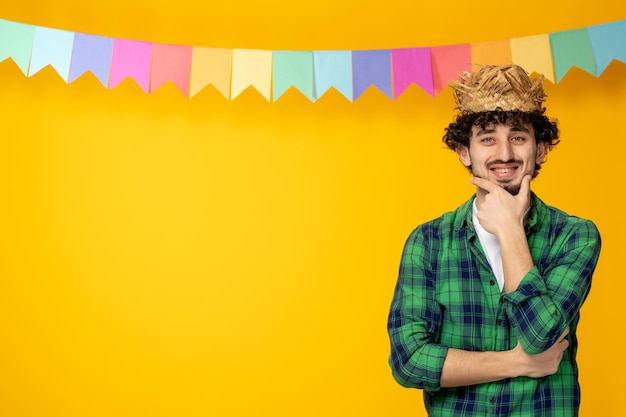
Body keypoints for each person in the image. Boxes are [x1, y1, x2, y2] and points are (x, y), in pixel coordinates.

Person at [387, 64, 601, 416]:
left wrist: (510, 229)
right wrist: (516, 362)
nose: (504, 153)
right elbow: (408, 362)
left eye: (518, 137)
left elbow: (540, 337)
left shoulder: (574, 237)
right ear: (464, 152)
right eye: (487, 138)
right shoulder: (428, 242)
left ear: (541, 149)